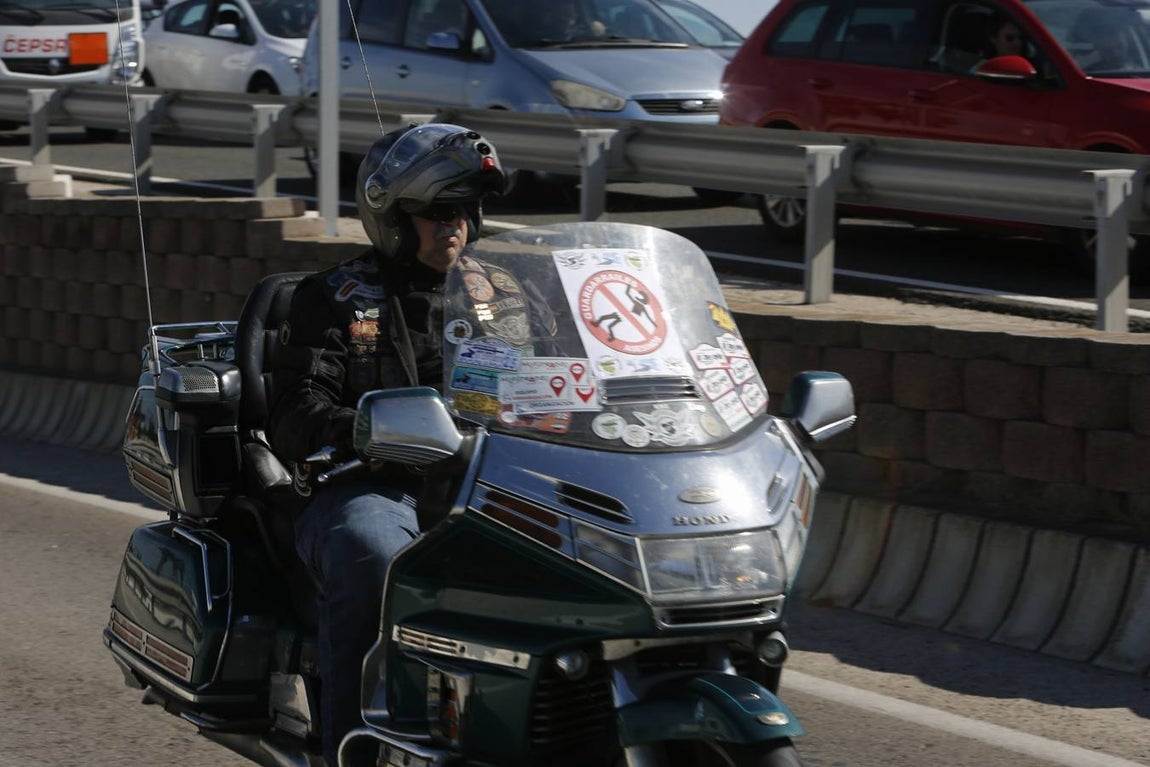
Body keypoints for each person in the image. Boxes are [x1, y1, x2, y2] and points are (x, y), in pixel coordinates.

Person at [265, 122, 505, 767]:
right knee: (373, 556)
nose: (454, 226)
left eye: (464, 211)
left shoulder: (508, 294)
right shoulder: (335, 299)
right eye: (436, 212)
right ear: (393, 216)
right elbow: (293, 414)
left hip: (498, 485)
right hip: (371, 487)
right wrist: (367, 427)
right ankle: (353, 750)